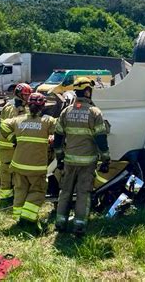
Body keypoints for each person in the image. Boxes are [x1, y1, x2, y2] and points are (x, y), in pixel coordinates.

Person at [53, 77, 110, 236]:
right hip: (88, 162)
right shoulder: (94, 112)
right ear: (87, 91)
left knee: (65, 192)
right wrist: (106, 159)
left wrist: (59, 159)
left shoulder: (66, 111)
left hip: (69, 161)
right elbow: (101, 138)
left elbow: (57, 139)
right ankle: (79, 226)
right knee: (83, 194)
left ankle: (60, 223)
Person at [0, 93, 56, 233]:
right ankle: (28, 219)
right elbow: (60, 131)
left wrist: (14, 139)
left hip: (18, 165)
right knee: (38, 191)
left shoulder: (18, 119)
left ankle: (18, 219)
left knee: (20, 190)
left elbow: (3, 126)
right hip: (37, 167)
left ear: (28, 106)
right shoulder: (48, 121)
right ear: (42, 106)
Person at [0, 83, 32, 200]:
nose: (27, 97)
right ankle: (6, 195)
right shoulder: (12, 107)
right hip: (8, 144)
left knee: (17, 170)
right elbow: (8, 126)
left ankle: (15, 192)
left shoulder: (23, 105)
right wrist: (15, 140)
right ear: (18, 94)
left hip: (17, 144)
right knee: (7, 170)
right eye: (25, 95)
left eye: (28, 95)